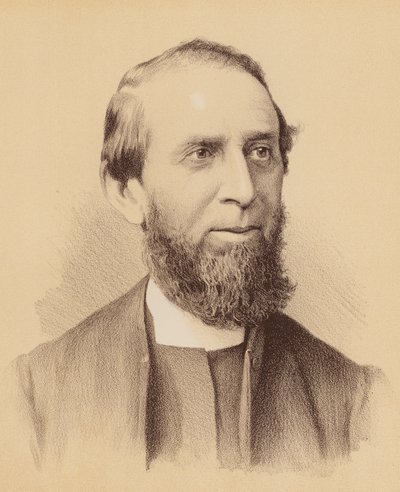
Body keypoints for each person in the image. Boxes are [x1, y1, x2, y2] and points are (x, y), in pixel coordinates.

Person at [3, 39, 388, 473]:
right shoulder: (34, 397)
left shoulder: (358, 404)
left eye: (261, 152)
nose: (244, 190)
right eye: (202, 154)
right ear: (126, 191)